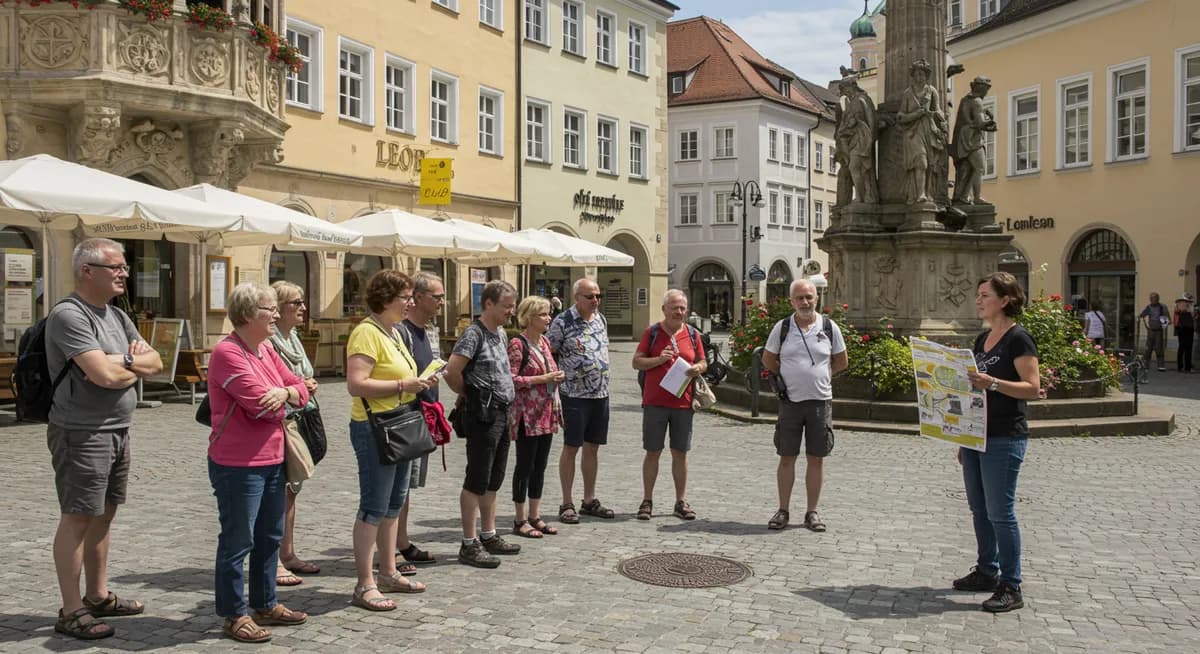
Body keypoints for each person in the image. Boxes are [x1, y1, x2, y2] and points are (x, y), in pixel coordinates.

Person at [45, 239, 163, 640]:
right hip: (82, 431)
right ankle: (71, 608)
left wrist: (121, 361)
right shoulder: (67, 315)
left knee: (105, 514)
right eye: (115, 267)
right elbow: (105, 376)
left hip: (117, 428)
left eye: (125, 267)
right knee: (77, 517)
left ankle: (96, 594)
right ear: (86, 270)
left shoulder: (116, 315)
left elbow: (157, 361)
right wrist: (128, 364)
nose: (124, 273)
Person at [207, 282, 311, 642]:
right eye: (270, 309)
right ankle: (234, 614)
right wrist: (290, 396)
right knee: (238, 540)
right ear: (249, 314)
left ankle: (265, 602)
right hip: (237, 463)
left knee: (270, 535)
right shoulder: (227, 353)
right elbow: (260, 407)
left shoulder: (265, 348)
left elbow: (301, 388)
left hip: (273, 457)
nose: (278, 314)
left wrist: (285, 392)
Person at [345, 270, 431, 612]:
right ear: (385, 299)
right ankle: (364, 583)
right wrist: (401, 386)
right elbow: (356, 384)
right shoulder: (366, 333)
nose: (410, 302)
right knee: (373, 506)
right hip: (374, 427)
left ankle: (388, 571)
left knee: (395, 502)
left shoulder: (393, 332)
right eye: (405, 297)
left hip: (399, 423)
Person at [957, 272, 1041, 613]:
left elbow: (1032, 388)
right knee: (979, 509)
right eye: (977, 295)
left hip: (1006, 435)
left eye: (985, 295)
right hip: (979, 434)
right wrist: (963, 437)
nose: (978, 300)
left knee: (1000, 513)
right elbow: (974, 394)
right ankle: (987, 571)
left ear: (1005, 300)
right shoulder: (982, 339)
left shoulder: (1019, 339)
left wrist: (992, 382)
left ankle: (1011, 584)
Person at [445, 280, 521, 567]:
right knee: (476, 479)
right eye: (506, 306)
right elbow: (452, 372)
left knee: (493, 478)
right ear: (488, 304)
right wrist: (470, 394)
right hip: (484, 414)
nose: (511, 312)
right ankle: (468, 542)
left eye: (512, 306)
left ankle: (489, 534)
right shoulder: (473, 335)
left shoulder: (500, 333)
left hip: (502, 412)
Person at [761, 279, 847, 533]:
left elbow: (841, 360)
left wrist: (822, 375)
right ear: (792, 302)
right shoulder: (783, 327)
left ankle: (812, 512)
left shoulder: (829, 327)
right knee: (787, 456)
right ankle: (783, 509)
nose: (805, 302)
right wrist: (787, 378)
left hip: (820, 402)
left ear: (817, 298)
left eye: (809, 297)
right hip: (791, 402)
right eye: (800, 298)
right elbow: (768, 358)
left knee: (816, 458)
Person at [632, 289, 707, 520]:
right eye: (674, 307)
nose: (679, 312)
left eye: (682, 307)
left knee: (680, 453)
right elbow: (637, 362)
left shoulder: (693, 334)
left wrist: (699, 368)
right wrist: (659, 360)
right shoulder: (652, 332)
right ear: (664, 309)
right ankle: (647, 500)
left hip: (683, 403)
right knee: (653, 452)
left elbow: (703, 361)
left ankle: (680, 501)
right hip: (655, 402)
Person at [267, 282, 323, 587]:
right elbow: (274, 382)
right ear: (279, 308)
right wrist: (302, 385)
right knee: (278, 492)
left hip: (300, 417)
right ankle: (273, 559)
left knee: (292, 490)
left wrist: (306, 384)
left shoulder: (295, 338)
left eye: (303, 301)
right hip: (281, 422)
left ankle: (287, 553)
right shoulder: (270, 341)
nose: (303, 307)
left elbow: (302, 376)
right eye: (296, 302)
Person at [547, 278, 615, 524]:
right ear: (576, 298)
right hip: (574, 394)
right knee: (571, 447)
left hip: (600, 393)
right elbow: (549, 353)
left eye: (598, 296)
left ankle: (589, 499)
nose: (596, 300)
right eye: (590, 296)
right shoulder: (562, 322)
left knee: (593, 447)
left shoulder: (600, 319)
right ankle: (567, 502)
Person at [396, 271, 446, 566]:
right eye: (437, 296)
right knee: (396, 488)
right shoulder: (402, 331)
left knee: (406, 487)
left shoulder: (427, 330)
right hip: (405, 417)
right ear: (417, 298)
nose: (442, 302)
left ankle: (401, 541)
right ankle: (390, 547)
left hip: (423, 416)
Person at [507, 295, 565, 538]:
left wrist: (556, 378)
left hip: (545, 414)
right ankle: (520, 519)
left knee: (540, 467)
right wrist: (543, 379)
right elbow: (510, 379)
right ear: (529, 317)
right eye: (543, 314)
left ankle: (535, 515)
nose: (548, 318)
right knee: (525, 466)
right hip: (526, 416)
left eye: (548, 313)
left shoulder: (543, 342)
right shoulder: (518, 344)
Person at [897, 59, 948, 205]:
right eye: (918, 74)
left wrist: (940, 116)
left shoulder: (931, 91)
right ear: (913, 76)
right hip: (913, 132)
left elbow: (938, 109)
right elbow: (900, 116)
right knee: (921, 162)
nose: (920, 77)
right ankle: (920, 194)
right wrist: (916, 114)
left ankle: (928, 192)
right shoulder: (908, 93)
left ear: (926, 76)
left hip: (929, 129)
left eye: (923, 74)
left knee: (931, 165)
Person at [951, 76, 998, 205]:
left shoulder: (965, 99)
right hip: (972, 139)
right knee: (979, 168)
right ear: (981, 88)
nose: (987, 92)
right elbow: (980, 123)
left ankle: (961, 197)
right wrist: (992, 122)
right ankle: (977, 197)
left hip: (963, 137)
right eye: (987, 89)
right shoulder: (977, 101)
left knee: (967, 168)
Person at [834, 75, 879, 205]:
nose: (844, 93)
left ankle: (862, 197)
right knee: (856, 169)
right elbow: (844, 123)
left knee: (856, 167)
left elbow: (871, 121)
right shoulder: (850, 103)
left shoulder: (863, 100)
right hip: (852, 139)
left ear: (851, 87)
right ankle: (862, 196)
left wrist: (870, 140)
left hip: (863, 139)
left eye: (845, 89)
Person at [1139, 292, 1171, 372]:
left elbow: (1167, 319)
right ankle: (1146, 364)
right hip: (1150, 331)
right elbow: (1142, 315)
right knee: (1148, 349)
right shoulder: (1149, 307)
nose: (1152, 300)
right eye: (1151, 299)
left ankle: (1161, 365)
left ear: (1157, 299)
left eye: (1154, 298)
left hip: (1159, 331)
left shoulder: (1162, 307)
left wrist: (1164, 324)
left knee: (1159, 348)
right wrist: (1146, 324)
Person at [1174, 293, 1195, 373]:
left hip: (1187, 327)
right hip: (1184, 327)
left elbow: (1193, 315)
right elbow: (1179, 312)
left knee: (1184, 347)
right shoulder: (1181, 304)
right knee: (1185, 347)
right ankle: (1185, 367)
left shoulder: (1188, 305)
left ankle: (1184, 367)